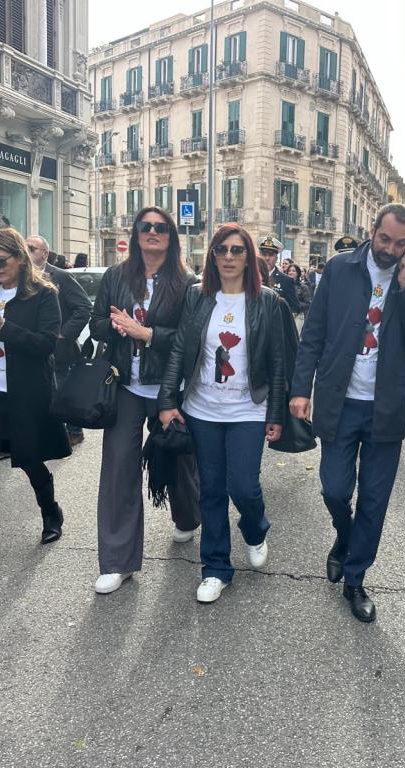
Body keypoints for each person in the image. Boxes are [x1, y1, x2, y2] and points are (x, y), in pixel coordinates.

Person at [291, 203, 405, 622]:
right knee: (334, 489)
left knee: (374, 499)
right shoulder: (340, 269)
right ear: (372, 231)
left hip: (386, 408)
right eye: (385, 238)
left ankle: (355, 580)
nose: (390, 249)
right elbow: (313, 333)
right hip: (340, 402)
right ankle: (344, 536)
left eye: (400, 243)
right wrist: (301, 389)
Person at [159, 224, 287, 603]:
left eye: (236, 250)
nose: (229, 257)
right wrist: (168, 401)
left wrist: (276, 413)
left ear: (249, 256)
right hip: (203, 410)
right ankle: (215, 568)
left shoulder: (267, 301)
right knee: (211, 490)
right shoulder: (197, 297)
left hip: (249, 409)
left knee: (244, 486)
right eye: (221, 250)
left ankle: (255, 527)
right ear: (212, 255)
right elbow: (181, 349)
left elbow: (278, 362)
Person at [89, 206, 201, 594]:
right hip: (124, 385)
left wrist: (147, 333)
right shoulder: (116, 276)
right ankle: (118, 561)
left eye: (160, 228)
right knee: (119, 467)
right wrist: (118, 327)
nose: (152, 233)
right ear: (135, 233)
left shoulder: (188, 283)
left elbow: (190, 341)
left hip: (169, 387)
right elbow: (96, 323)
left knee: (179, 459)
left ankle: (188, 515)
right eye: (145, 226)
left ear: (171, 236)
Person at [0, 228, 71, 575]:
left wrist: (3, 326)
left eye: (1, 261)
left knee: (30, 459)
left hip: (26, 392)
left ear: (20, 258)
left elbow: (45, 346)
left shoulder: (44, 294)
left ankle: (50, 510)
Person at [26, 235, 93, 446]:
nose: (26, 252)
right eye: (24, 247)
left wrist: (64, 333)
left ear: (45, 254)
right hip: (31, 344)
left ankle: (74, 430)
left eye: (32, 248)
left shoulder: (60, 277)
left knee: (60, 391)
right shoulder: (20, 277)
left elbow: (84, 307)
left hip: (58, 348)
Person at [260, 235, 300, 312]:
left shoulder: (286, 280)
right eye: (264, 254)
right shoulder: (250, 277)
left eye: (271, 255)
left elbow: (295, 307)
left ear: (276, 258)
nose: (267, 258)